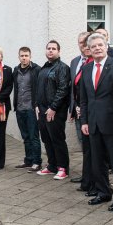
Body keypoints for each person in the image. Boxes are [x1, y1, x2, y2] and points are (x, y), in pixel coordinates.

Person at [79, 33, 113, 211]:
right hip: (92, 123)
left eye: (100, 45)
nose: (97, 48)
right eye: (93, 46)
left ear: (106, 46)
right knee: (97, 161)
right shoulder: (86, 69)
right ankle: (103, 192)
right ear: (89, 50)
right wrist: (84, 121)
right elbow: (84, 99)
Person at [36, 40, 71, 179]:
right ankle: (51, 166)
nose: (51, 50)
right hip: (42, 110)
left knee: (57, 139)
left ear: (59, 51)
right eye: (48, 48)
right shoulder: (43, 68)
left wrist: (53, 108)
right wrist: (36, 105)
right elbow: (38, 89)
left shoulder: (62, 68)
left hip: (55, 111)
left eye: (54, 48)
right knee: (46, 139)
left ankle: (63, 168)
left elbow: (63, 89)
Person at [68, 32, 94, 191]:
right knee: (84, 145)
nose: (83, 46)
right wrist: (74, 108)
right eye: (80, 42)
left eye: (86, 42)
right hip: (79, 111)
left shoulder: (94, 63)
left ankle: (91, 177)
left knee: (92, 147)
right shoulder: (74, 62)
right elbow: (74, 88)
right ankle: (86, 175)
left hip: (91, 112)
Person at [12, 47, 42, 171]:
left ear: (30, 56)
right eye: (22, 56)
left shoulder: (37, 70)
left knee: (33, 136)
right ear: (19, 57)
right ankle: (28, 160)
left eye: (26, 55)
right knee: (25, 136)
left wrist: (37, 105)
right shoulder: (16, 70)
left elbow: (40, 89)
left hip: (31, 108)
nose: (24, 58)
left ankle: (37, 161)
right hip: (19, 108)